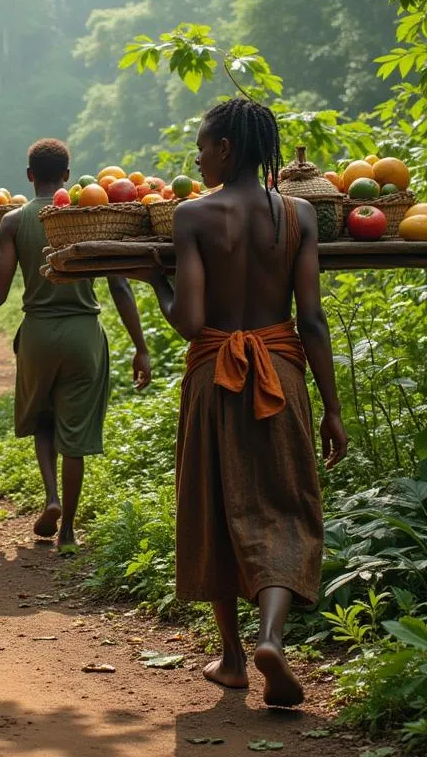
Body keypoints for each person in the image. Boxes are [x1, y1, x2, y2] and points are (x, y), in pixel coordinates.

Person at [140, 99, 347, 708]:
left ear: (225, 148)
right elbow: (310, 317)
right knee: (286, 505)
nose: (198, 157)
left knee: (214, 505)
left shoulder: (193, 216)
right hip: (281, 372)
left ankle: (232, 658)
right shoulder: (299, 214)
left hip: (214, 377)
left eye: (202, 146)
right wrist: (331, 407)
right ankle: (271, 637)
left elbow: (191, 321)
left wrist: (159, 283)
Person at [0, 138, 152, 554]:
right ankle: (70, 532)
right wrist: (140, 346)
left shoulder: (12, 221)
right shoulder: (86, 217)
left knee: (43, 419)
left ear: (28, 176)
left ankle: (51, 498)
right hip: (83, 336)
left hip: (38, 334)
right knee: (73, 435)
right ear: (67, 176)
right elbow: (119, 287)